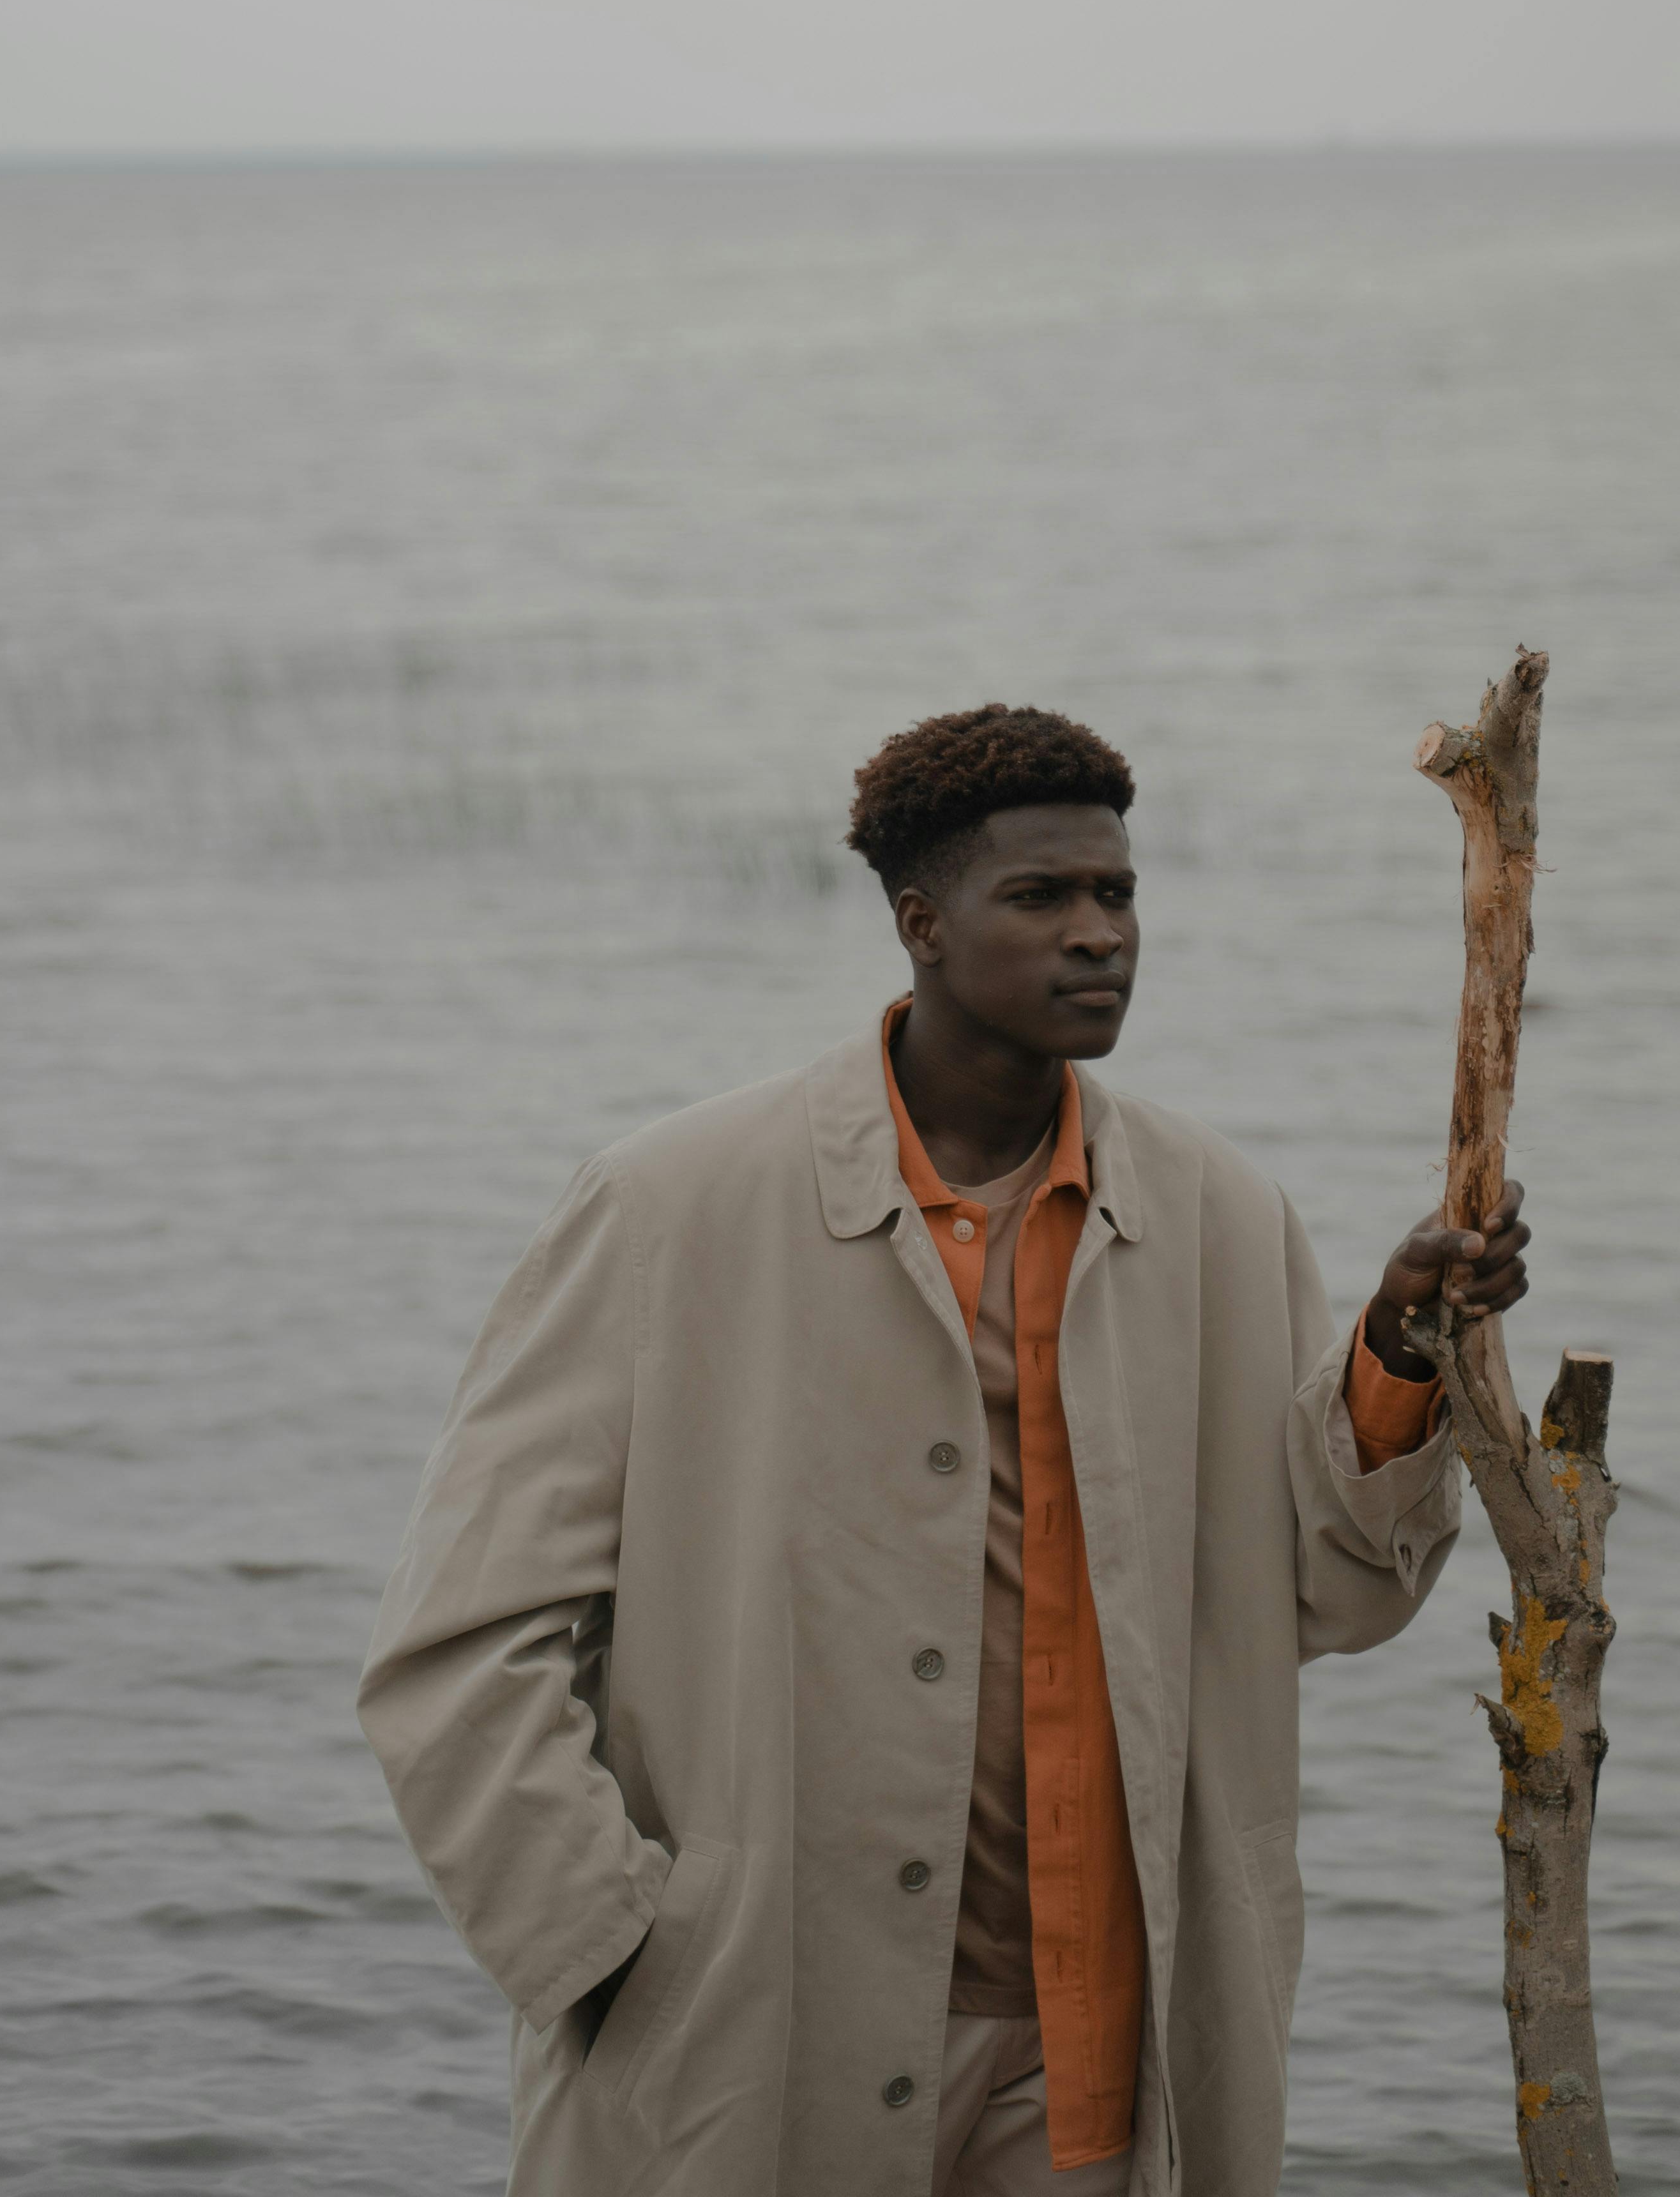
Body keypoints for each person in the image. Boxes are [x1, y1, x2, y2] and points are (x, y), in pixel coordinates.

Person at [358, 703, 1529, 2197]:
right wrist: (607, 1951)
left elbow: (1320, 1594)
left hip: (1096, 2047)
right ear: (917, 923)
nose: (1097, 934)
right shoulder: (670, 1207)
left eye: (1115, 894)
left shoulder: (1219, 1217)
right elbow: (457, 1644)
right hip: (748, 2029)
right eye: (1039, 897)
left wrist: (1399, 1347)